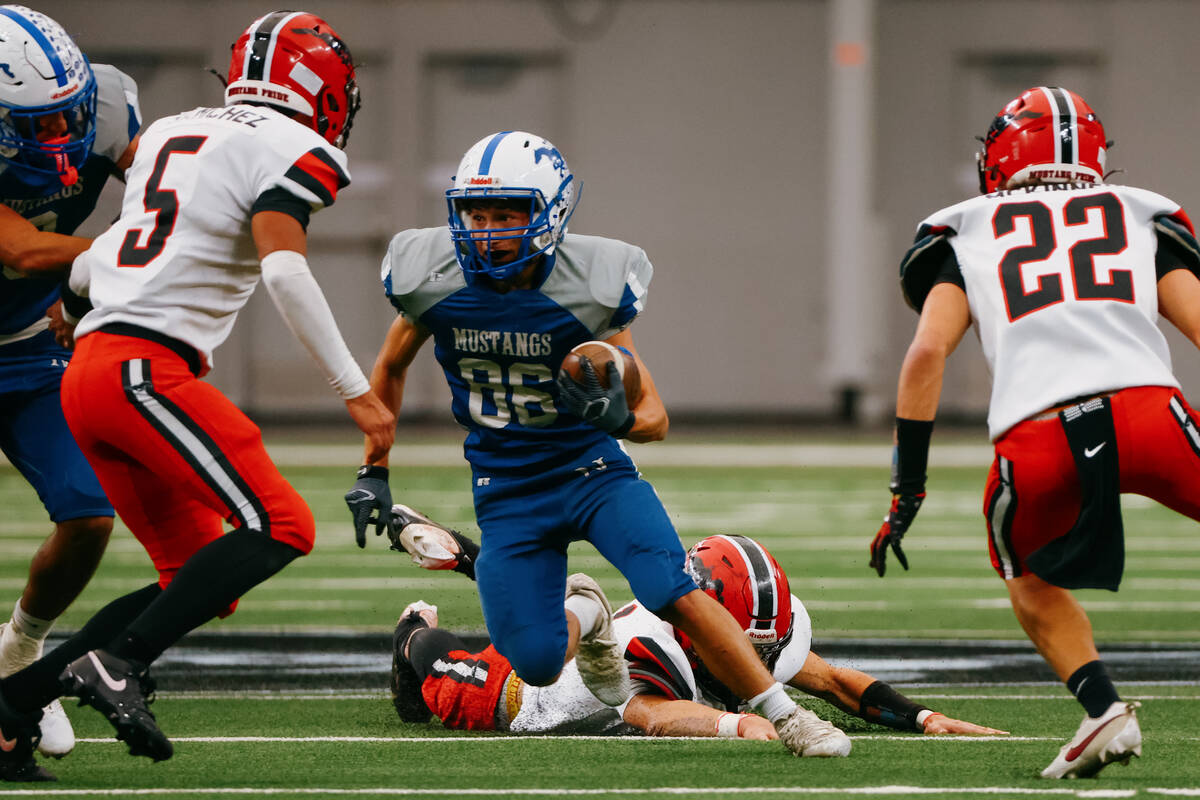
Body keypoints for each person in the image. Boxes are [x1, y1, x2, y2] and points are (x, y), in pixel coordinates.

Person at [345, 131, 850, 758]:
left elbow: (655, 418)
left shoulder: (588, 287)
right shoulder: (433, 281)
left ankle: (788, 717)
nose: (487, 229)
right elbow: (388, 373)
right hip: (505, 490)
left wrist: (615, 418)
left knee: (672, 586)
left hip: (590, 470)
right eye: (477, 213)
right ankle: (587, 611)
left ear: (549, 213)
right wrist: (375, 467)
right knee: (532, 662)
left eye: (507, 213)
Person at [0, 10, 393, 782]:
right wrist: (358, 391)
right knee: (283, 524)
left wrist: (77, 307)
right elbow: (283, 271)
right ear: (323, 92)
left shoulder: (183, 129)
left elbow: (96, 264)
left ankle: (11, 712)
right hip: (142, 371)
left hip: (89, 374)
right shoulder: (294, 146)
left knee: (196, 576)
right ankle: (118, 662)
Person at [867, 86, 1200, 779]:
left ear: (1002, 158)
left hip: (1041, 434)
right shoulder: (1138, 212)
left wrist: (907, 491)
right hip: (1153, 414)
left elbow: (927, 354)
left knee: (1027, 576)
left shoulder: (967, 228)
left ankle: (1103, 707)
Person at [387, 525, 1005, 740]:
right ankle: (413, 629)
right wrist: (738, 722)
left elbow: (835, 681)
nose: (755, 658)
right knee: (434, 681)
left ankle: (477, 562)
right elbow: (649, 714)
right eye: (743, 643)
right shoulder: (651, 643)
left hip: (579, 636)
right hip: (520, 693)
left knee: (545, 612)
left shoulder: (762, 636)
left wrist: (923, 718)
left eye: (763, 646)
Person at [0, 4, 141, 759]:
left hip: (26, 344)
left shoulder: (111, 102)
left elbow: (163, 185)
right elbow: (21, 250)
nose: (63, 138)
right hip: (23, 302)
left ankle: (20, 652)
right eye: (36, 126)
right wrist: (121, 258)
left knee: (89, 512)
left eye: (70, 116)